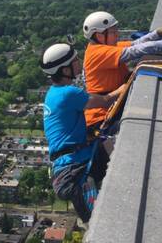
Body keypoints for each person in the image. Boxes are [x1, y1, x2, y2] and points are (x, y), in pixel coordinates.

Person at [41, 43, 122, 222]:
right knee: (98, 221)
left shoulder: (53, 93)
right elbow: (106, 100)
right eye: (75, 60)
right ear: (65, 69)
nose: (79, 63)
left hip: (71, 163)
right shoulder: (68, 93)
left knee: (115, 141)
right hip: (75, 170)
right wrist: (125, 85)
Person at [82, 11, 162, 130]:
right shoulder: (97, 53)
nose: (117, 35)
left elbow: (135, 44)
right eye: (113, 32)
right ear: (99, 36)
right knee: (141, 127)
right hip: (101, 118)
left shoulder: (106, 47)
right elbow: (134, 51)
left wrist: (157, 33)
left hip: (113, 107)